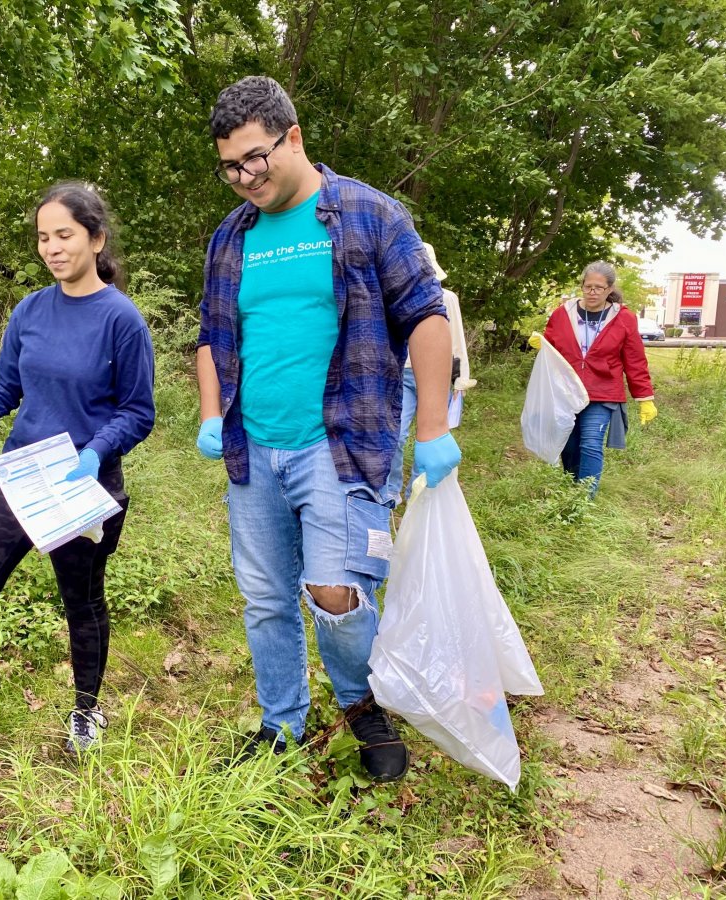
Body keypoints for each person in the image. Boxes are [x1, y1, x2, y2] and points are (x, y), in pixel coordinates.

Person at [194, 76, 460, 782]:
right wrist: (209, 415)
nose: (245, 177)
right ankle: (280, 725)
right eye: (230, 166)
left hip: (341, 446)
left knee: (336, 594)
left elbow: (427, 316)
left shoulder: (369, 215)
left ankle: (360, 702)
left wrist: (432, 424)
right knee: (264, 598)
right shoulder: (231, 237)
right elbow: (210, 335)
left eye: (256, 158)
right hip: (254, 450)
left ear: (294, 137)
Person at [0, 182, 156, 763]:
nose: (51, 248)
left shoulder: (123, 321)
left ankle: (87, 713)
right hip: (20, 477)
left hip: (81, 486)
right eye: (43, 237)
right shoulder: (31, 311)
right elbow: (6, 386)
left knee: (81, 602)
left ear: (96, 239)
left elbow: (138, 411)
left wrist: (95, 451)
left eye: (64, 235)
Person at [530, 261, 656, 496]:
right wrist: (543, 345)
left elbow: (635, 359)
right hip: (567, 391)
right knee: (568, 445)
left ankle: (583, 499)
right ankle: (573, 488)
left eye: (599, 287)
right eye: (588, 287)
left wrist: (644, 397)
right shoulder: (562, 314)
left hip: (603, 391)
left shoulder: (624, 318)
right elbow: (553, 349)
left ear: (609, 289)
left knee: (590, 444)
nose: (592, 292)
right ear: (582, 286)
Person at [385, 242, 476, 506]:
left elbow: (456, 338)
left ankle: (420, 490)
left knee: (431, 436)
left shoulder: (447, 298)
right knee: (396, 434)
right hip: (400, 374)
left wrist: (461, 379)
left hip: (435, 374)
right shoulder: (393, 296)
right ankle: (390, 490)